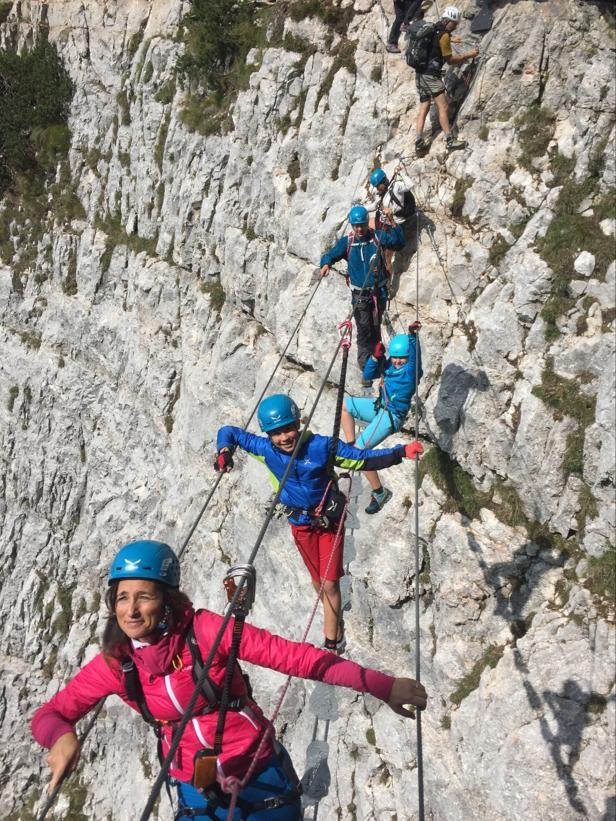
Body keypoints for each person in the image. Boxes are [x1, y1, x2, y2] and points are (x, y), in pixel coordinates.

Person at [31, 541, 428, 820]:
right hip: (192, 782)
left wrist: (382, 685)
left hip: (257, 768)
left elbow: (297, 658)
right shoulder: (116, 664)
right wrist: (62, 736)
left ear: (167, 601)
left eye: (144, 597)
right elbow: (49, 715)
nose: (131, 610)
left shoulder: (205, 632)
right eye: (122, 598)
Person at [215, 395, 423, 652]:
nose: (284, 437)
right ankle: (332, 615)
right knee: (318, 582)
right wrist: (224, 451)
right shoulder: (266, 450)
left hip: (329, 522)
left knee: (329, 584)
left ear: (299, 423)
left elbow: (363, 459)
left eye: (288, 428)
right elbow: (229, 432)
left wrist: (400, 452)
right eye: (276, 433)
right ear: (268, 435)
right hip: (300, 523)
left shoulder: (323, 447)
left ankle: (332, 643)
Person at [342, 325, 422, 514]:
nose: (397, 362)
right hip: (379, 406)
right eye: (395, 357)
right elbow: (368, 375)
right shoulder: (389, 366)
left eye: (402, 358)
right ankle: (351, 444)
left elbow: (415, 358)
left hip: (391, 415)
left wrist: (412, 337)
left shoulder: (410, 372)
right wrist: (375, 358)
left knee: (360, 454)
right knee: (346, 405)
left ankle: (379, 492)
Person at [319, 204, 405, 375]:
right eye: (356, 225)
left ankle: (377, 361)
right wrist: (325, 264)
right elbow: (331, 254)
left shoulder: (377, 238)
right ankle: (365, 366)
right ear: (352, 225)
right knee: (364, 329)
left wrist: (392, 222)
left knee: (375, 327)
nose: (359, 229)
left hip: (378, 293)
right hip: (359, 295)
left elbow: (398, 243)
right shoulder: (348, 242)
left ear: (367, 223)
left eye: (362, 225)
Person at [413, 6, 479, 153]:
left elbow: (438, 40)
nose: (455, 27)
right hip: (431, 76)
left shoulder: (434, 28)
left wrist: (451, 40)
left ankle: (418, 140)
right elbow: (450, 60)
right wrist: (469, 55)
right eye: (454, 24)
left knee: (424, 107)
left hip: (419, 74)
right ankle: (450, 140)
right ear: (449, 21)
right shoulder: (443, 36)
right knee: (443, 107)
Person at [364, 167, 416, 276]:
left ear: (383, 181)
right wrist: (362, 208)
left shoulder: (396, 187)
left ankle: (388, 278)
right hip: (385, 222)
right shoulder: (383, 193)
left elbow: (410, 185)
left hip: (397, 223)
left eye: (378, 186)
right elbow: (374, 206)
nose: (377, 189)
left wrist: (401, 172)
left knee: (387, 254)